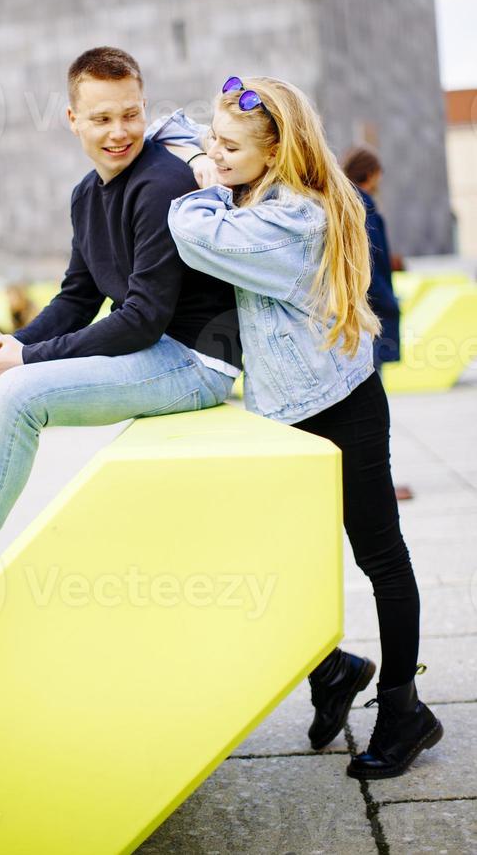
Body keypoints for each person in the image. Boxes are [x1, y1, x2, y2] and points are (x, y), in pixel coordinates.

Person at [0, 47, 241, 642]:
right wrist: (12, 342)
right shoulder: (87, 195)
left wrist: (27, 360)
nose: (119, 132)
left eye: (131, 115)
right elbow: (77, 297)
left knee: (18, 394)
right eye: (102, 118)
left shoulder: (163, 184)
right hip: (150, 351)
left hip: (193, 360)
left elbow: (141, 319)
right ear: (72, 119)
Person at [153, 76, 442, 780]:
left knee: (380, 557)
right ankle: (334, 669)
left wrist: (198, 174)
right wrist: (207, 144)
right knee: (269, 561)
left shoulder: (291, 219)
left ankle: (404, 710)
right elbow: (167, 121)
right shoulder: (255, 187)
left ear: (276, 151)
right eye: (214, 142)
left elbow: (191, 232)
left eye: (229, 146)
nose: (216, 154)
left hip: (340, 406)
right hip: (287, 413)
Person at [342, 146, 413, 502]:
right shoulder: (365, 208)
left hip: (353, 319)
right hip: (373, 319)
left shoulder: (341, 202)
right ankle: (380, 487)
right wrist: (392, 306)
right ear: (370, 175)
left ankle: (367, 485)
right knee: (373, 411)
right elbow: (372, 266)